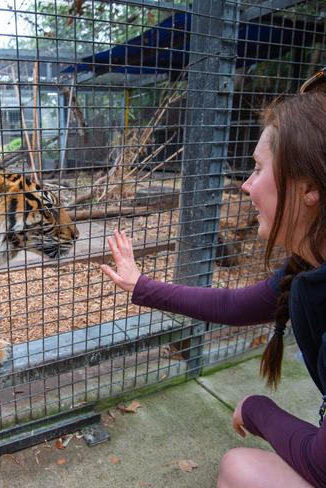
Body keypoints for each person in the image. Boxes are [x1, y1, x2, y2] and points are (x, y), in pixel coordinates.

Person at [101, 67, 326, 488]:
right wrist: (140, 285)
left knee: (241, 469)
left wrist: (258, 409)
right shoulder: (307, 268)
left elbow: (321, 464)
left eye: (257, 170)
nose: (245, 185)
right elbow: (236, 305)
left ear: (308, 187)